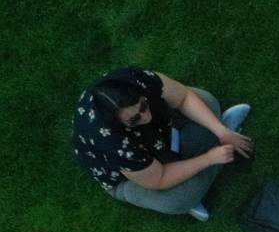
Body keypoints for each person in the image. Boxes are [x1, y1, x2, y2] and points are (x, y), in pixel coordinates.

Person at [74, 67, 252, 221]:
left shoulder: (133, 78)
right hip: (135, 176)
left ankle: (218, 141)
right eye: (135, 119)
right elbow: (159, 178)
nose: (145, 116)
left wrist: (221, 132)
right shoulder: (111, 141)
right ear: (118, 123)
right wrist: (209, 159)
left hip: (160, 136)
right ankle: (212, 158)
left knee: (207, 103)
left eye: (143, 105)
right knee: (179, 200)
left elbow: (183, 98)